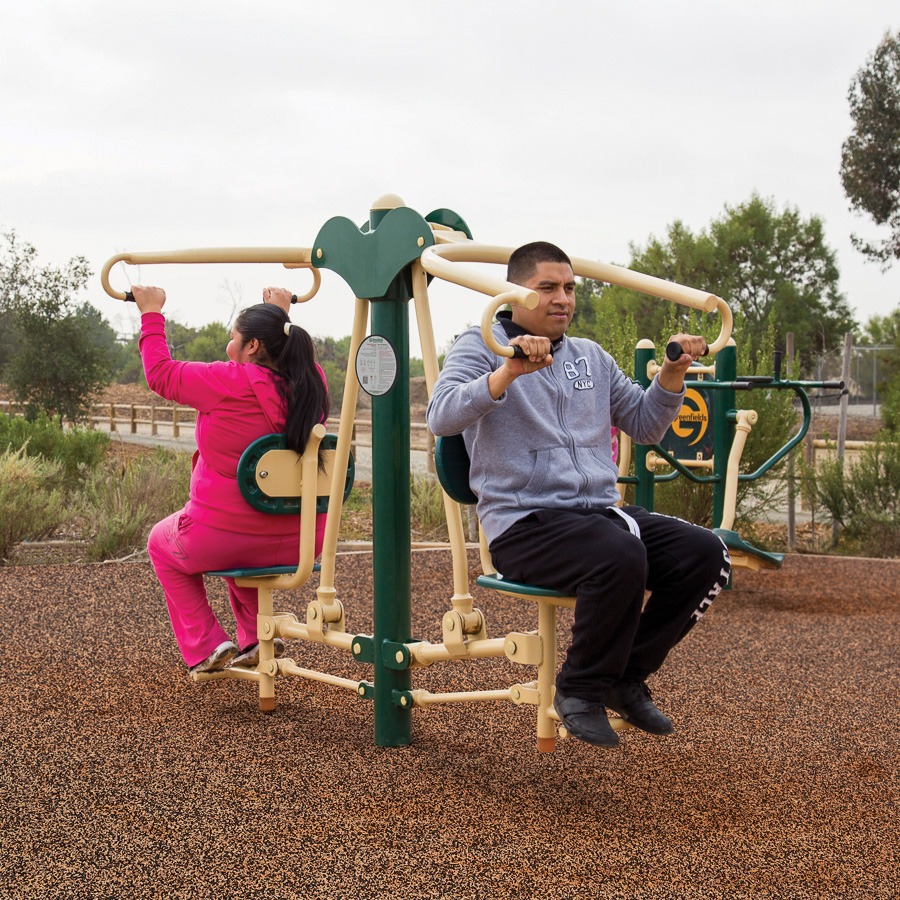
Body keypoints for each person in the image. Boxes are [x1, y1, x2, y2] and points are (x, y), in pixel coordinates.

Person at [427, 242, 731, 748]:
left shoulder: (590, 355)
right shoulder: (480, 345)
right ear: (514, 293)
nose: (563, 298)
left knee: (706, 555)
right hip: (525, 524)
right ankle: (579, 688)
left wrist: (672, 374)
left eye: (569, 288)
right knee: (618, 554)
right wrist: (507, 373)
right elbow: (441, 416)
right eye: (548, 288)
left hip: (595, 516)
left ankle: (624, 676)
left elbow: (646, 424)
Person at [132, 285, 329, 675]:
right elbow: (293, 355)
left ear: (253, 345)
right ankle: (257, 636)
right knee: (244, 541)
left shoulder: (227, 380)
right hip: (303, 538)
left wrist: (151, 313)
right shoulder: (312, 384)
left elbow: (160, 374)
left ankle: (206, 645)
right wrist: (278, 315)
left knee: (161, 542)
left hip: (225, 537)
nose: (228, 346)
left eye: (234, 338)